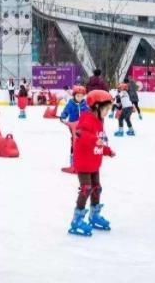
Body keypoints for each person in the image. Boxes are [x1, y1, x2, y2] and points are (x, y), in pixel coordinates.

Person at [68, 89, 116, 236]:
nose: (107, 112)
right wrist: (94, 140)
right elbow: (81, 134)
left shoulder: (100, 121)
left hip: (94, 161)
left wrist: (107, 151)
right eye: (106, 109)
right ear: (96, 106)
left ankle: (94, 215)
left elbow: (100, 141)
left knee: (97, 188)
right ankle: (77, 219)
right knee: (86, 188)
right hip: (83, 162)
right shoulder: (86, 117)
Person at [59, 85, 89, 172]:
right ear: (74, 96)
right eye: (78, 96)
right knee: (74, 142)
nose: (80, 98)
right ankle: (73, 163)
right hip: (72, 125)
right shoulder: (70, 104)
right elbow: (66, 111)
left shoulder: (85, 104)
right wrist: (63, 117)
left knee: (83, 143)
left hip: (82, 127)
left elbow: (88, 113)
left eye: (81, 96)